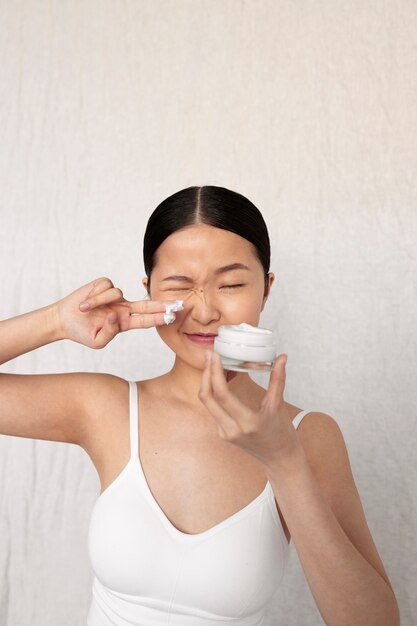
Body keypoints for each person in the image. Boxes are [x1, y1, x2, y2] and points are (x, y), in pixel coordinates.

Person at [0, 185, 400, 625]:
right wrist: (56, 321)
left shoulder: (307, 435)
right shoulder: (106, 408)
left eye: (230, 284)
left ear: (265, 290)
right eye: (179, 286)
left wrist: (285, 462)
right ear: (148, 289)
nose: (206, 311)